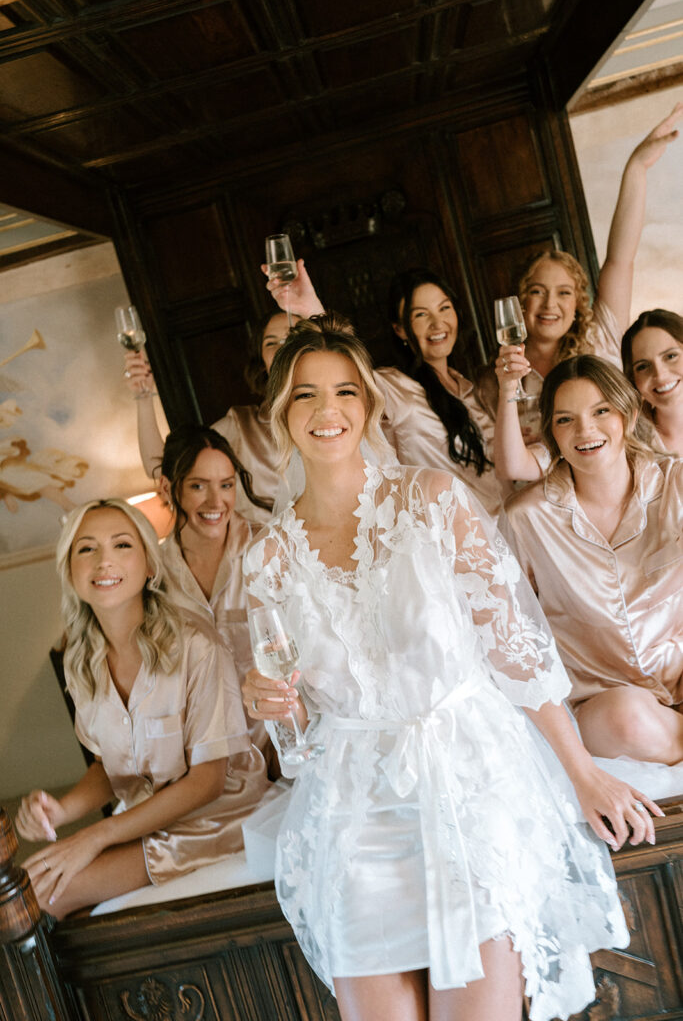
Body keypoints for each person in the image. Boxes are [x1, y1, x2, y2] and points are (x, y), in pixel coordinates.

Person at [240, 314, 660, 1021]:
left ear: (368, 406)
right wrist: (270, 702)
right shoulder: (266, 559)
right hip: (355, 810)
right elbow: (299, 734)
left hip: (468, 786)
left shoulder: (433, 501)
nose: (325, 410)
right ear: (281, 413)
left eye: (343, 390)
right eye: (304, 395)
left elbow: (515, 652)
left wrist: (581, 773)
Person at [15, 498, 265, 920]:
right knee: (20, 888)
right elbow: (110, 766)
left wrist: (97, 835)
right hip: (145, 819)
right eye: (86, 548)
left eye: (122, 545)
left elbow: (208, 782)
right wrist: (63, 810)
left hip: (215, 817)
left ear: (150, 564)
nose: (104, 561)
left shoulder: (197, 647)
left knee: (34, 900)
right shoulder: (80, 661)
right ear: (71, 571)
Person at [503, 355, 683, 766]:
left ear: (629, 413)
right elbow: (511, 631)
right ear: (551, 432)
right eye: (565, 420)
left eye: (601, 411)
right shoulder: (526, 517)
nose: (585, 430)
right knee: (627, 720)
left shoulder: (676, 483)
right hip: (603, 703)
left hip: (678, 681)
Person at [491, 102, 683, 482]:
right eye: (537, 291)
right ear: (521, 301)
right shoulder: (503, 376)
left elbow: (620, 258)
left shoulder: (602, 338)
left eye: (564, 293)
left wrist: (636, 169)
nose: (550, 304)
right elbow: (511, 469)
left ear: (579, 304)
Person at [265, 265, 505, 517]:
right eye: (421, 315)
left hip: (502, 522)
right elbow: (342, 371)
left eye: (444, 308)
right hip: (447, 525)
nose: (437, 323)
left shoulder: (473, 388)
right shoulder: (393, 385)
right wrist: (312, 308)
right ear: (400, 329)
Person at [158, 424, 274, 773]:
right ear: (167, 487)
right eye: (198, 486)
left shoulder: (267, 549)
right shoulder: (152, 574)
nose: (216, 502)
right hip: (202, 764)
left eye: (226, 485)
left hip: (276, 751)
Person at [124, 309, 301, 523]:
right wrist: (143, 396)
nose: (282, 348)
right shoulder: (242, 426)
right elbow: (159, 467)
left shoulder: (345, 411)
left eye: (293, 337)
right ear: (263, 362)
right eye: (271, 343)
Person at [622, 308, 683, 456]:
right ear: (632, 378)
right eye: (643, 366)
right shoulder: (629, 444)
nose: (660, 375)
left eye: (670, 356)